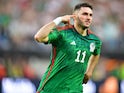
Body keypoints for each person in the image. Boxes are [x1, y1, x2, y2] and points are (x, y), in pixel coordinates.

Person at [34, 2, 102, 93]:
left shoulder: (94, 40)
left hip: (75, 90)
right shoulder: (63, 33)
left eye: (90, 15)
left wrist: (89, 71)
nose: (88, 18)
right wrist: (59, 19)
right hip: (52, 89)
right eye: (85, 14)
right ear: (75, 16)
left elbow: (96, 53)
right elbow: (38, 37)